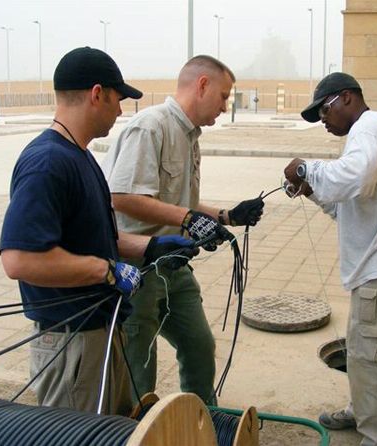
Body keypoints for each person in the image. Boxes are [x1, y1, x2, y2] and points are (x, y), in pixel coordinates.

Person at [0, 47, 198, 416]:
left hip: (101, 332)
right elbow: (19, 258)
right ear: (96, 94)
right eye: (117, 99)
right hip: (72, 342)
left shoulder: (82, 156)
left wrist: (149, 246)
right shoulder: (48, 162)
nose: (120, 111)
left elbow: (91, 238)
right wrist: (106, 271)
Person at [101, 55, 264, 405]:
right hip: (139, 270)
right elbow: (122, 196)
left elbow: (183, 202)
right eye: (223, 96)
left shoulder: (189, 135)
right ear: (202, 85)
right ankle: (140, 431)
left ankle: (203, 421)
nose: (225, 106)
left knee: (199, 345)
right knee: (139, 365)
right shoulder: (151, 127)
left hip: (174, 267)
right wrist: (187, 219)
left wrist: (228, 215)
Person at [284, 72, 377, 446]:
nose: (323, 120)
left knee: (376, 357)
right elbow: (349, 204)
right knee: (364, 345)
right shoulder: (370, 131)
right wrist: (313, 191)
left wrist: (308, 169)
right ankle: (362, 408)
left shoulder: (368, 128)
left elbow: (357, 177)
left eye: (324, 110)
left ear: (347, 98)